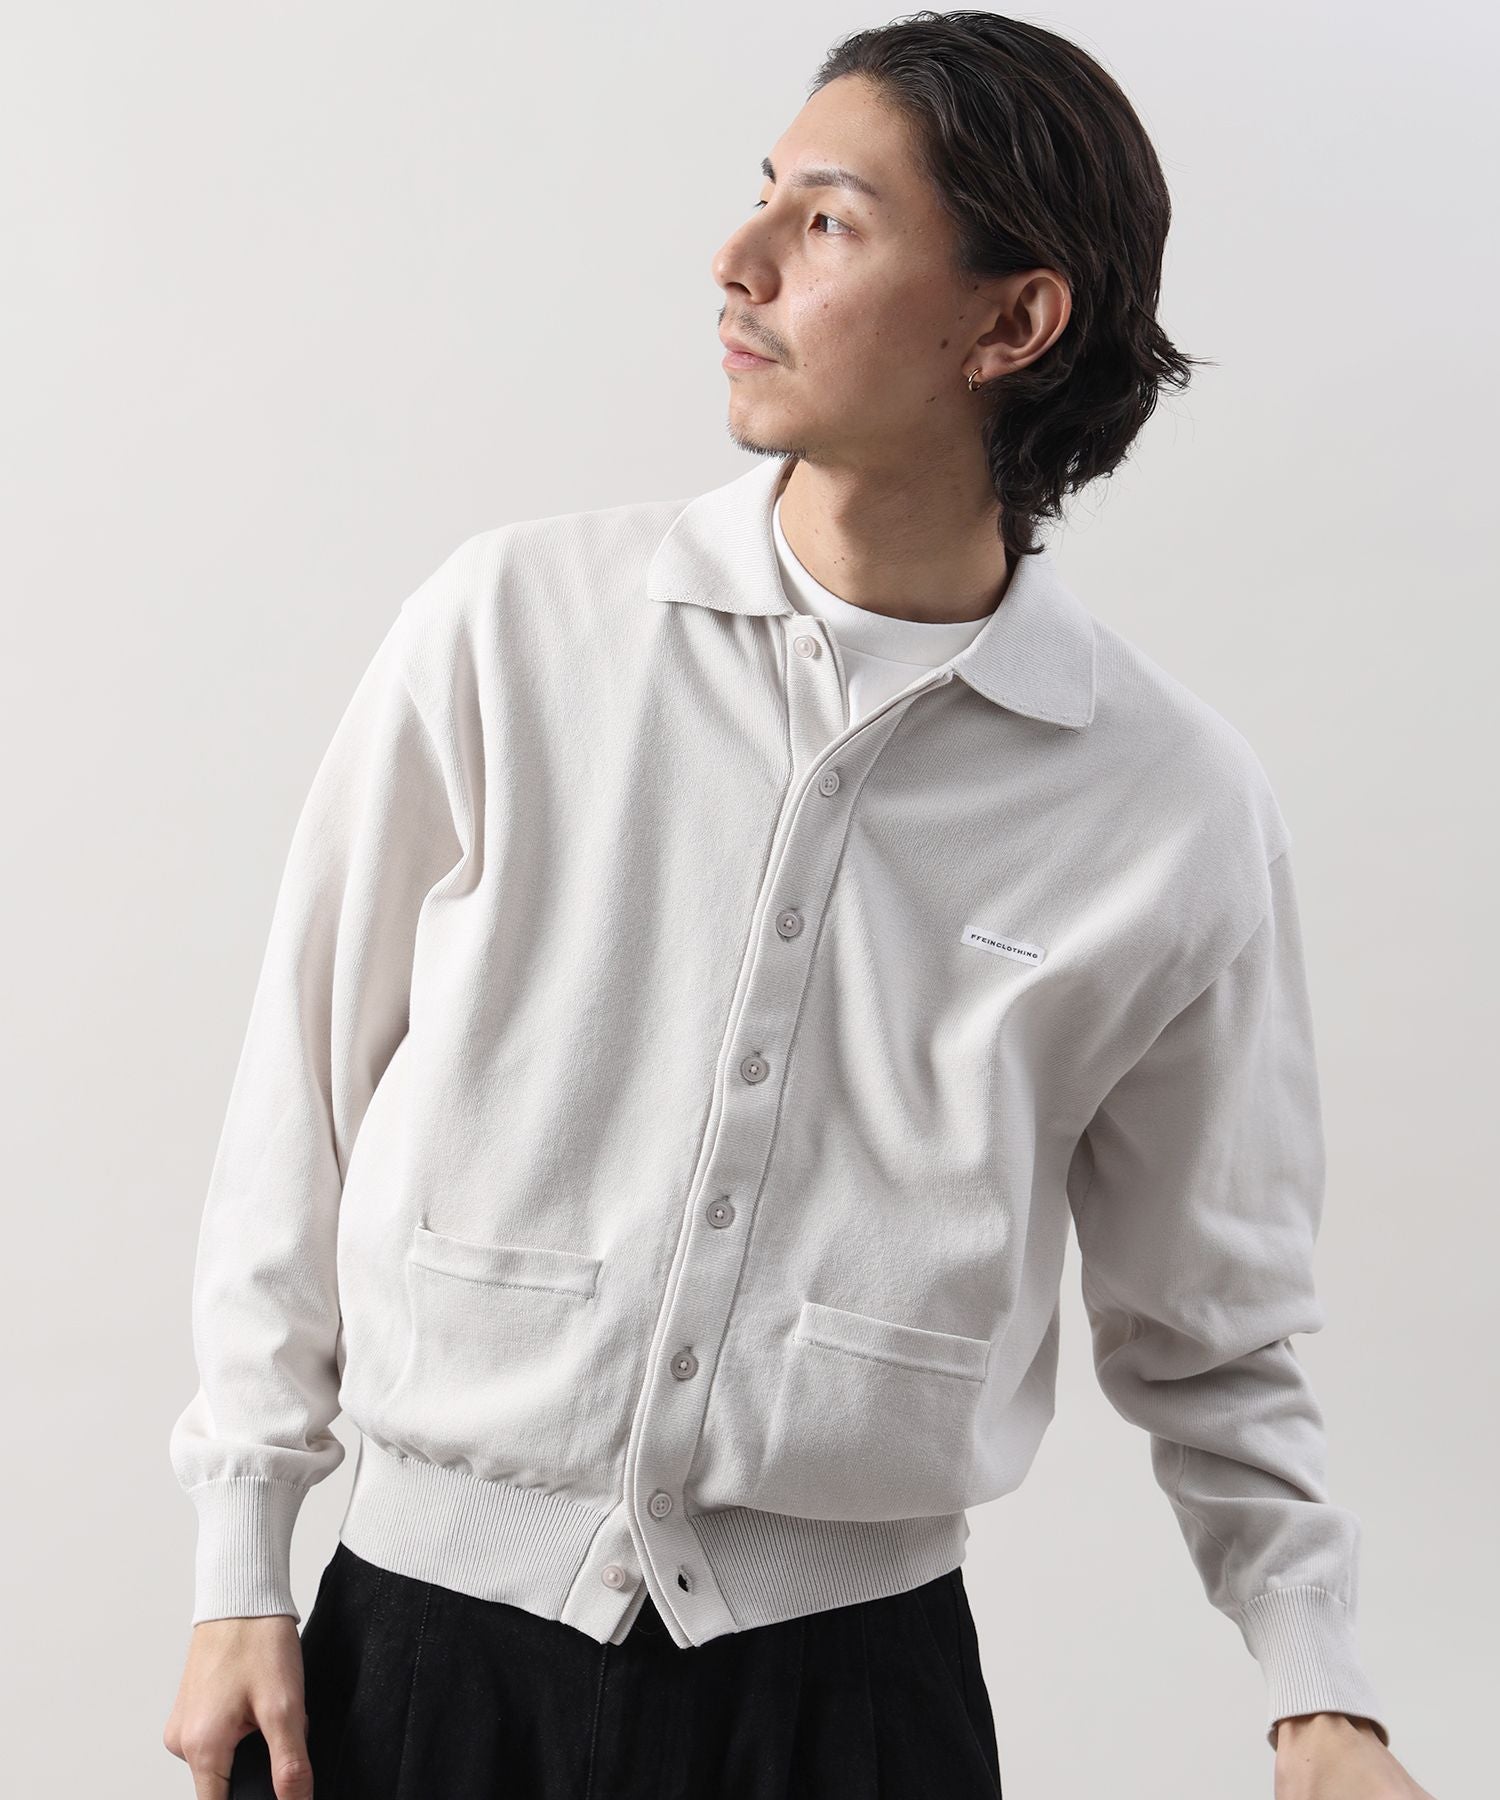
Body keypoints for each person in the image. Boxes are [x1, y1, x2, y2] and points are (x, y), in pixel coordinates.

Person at [163, 13, 1433, 1798]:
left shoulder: (1168, 806)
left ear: (1013, 323)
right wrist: (240, 1558)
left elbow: (1210, 1323)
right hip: (418, 1663)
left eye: (826, 220)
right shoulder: (515, 630)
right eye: (764, 193)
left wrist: (1319, 1692)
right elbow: (297, 1110)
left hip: (854, 1706)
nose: (737, 256)